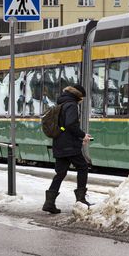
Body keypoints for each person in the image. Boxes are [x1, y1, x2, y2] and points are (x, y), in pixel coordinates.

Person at [44, 84, 92, 214]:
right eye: (82, 97)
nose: (82, 100)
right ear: (78, 95)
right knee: (82, 167)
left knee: (60, 173)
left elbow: (64, 126)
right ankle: (81, 200)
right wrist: (83, 135)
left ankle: (49, 203)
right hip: (69, 145)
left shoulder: (61, 103)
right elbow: (70, 124)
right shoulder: (72, 105)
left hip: (59, 143)